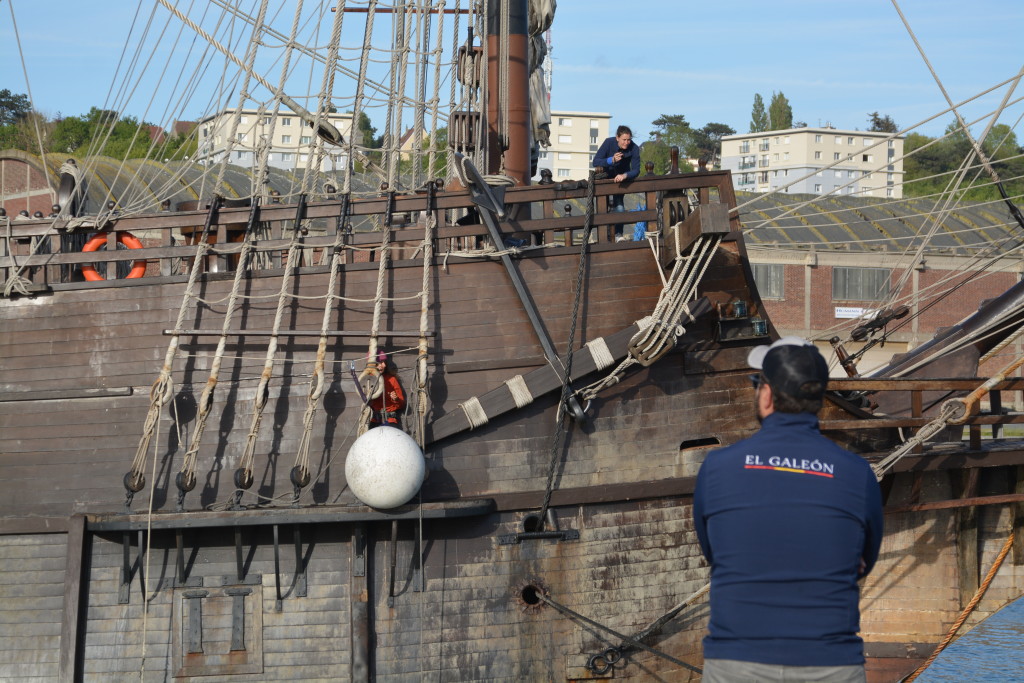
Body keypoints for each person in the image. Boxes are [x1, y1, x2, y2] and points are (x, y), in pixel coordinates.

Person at [693, 337, 883, 683]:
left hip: (737, 662)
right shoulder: (857, 474)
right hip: (830, 664)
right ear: (817, 400)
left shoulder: (717, 468)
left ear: (766, 394)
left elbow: (714, 551)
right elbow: (863, 561)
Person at [592, 125, 641, 241]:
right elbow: (596, 161)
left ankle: (618, 234)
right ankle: (603, 236)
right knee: (603, 207)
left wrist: (625, 175)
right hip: (605, 179)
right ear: (617, 138)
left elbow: (636, 169)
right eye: (624, 140)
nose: (627, 143)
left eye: (629, 139)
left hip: (621, 180)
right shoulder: (609, 143)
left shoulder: (634, 148)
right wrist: (611, 160)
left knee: (619, 206)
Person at [368, 352, 406, 426]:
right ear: (373, 364)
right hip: (374, 420)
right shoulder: (368, 380)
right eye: (381, 362)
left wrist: (395, 399)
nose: (384, 365)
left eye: (384, 362)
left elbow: (402, 404)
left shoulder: (392, 379)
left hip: (390, 420)